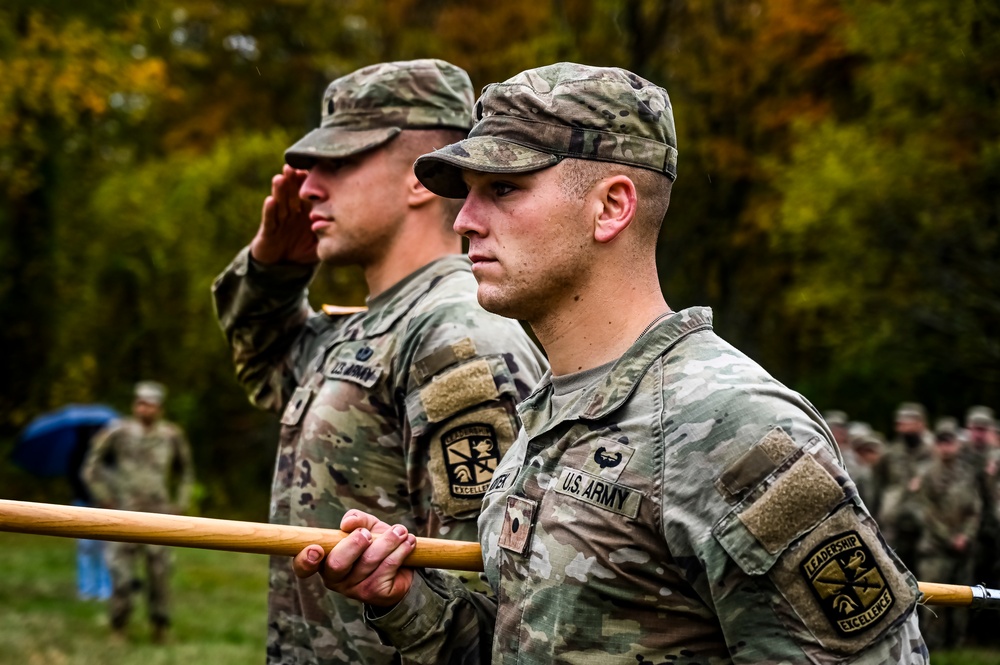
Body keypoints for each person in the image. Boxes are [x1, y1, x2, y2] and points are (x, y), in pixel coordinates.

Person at [292, 63, 927, 663]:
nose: (464, 219)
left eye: (503, 189)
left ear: (611, 207)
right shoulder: (549, 410)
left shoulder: (730, 425)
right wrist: (405, 603)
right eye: (468, 194)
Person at [212, 59, 547, 665]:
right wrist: (273, 271)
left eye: (337, 164)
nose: (307, 186)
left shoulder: (455, 333)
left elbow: (496, 595)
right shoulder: (369, 325)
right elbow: (264, 367)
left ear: (421, 179)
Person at [81, 381, 195, 643]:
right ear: (135, 405)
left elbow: (186, 473)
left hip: (159, 515)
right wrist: (104, 497)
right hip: (123, 513)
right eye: (141, 403)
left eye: (151, 404)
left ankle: (160, 627)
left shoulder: (171, 436)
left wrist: (180, 504)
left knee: (160, 576)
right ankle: (118, 627)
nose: (145, 409)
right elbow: (91, 466)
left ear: (160, 408)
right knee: (121, 574)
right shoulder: (118, 432)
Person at [916, 418, 981, 650]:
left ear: (957, 443)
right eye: (941, 442)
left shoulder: (968, 473)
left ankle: (958, 646)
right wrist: (949, 538)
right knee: (935, 601)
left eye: (949, 441)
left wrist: (966, 536)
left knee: (964, 598)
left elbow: (975, 510)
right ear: (936, 445)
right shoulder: (927, 474)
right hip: (935, 549)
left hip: (964, 548)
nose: (946, 447)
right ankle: (933, 648)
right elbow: (927, 512)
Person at [873, 402, 934, 572]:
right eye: (901, 423)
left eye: (909, 422)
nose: (904, 427)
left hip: (926, 524)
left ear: (921, 424)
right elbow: (878, 485)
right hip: (894, 522)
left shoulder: (933, 453)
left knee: (925, 574)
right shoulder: (890, 454)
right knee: (892, 569)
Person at [961, 406, 1000, 646]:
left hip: (992, 528)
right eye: (975, 428)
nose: (978, 434)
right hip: (967, 527)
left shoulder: (995, 457)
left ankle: (990, 633)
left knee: (993, 579)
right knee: (968, 580)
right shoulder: (961, 455)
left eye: (982, 429)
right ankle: (968, 634)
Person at [825, 410, 874, 510]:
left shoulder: (850, 455)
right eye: (835, 429)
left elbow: (863, 479)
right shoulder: (820, 451)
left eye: (842, 430)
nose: (840, 434)